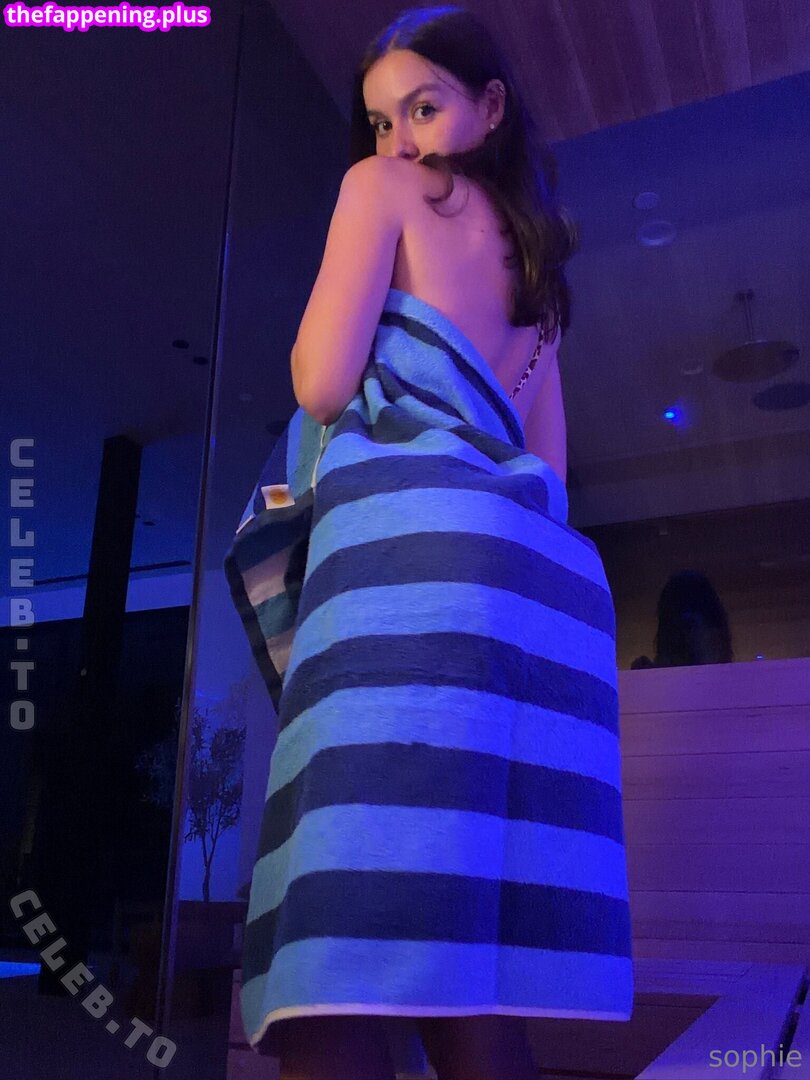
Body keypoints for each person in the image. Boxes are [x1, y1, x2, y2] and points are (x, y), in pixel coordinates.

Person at [226, 7, 633, 1080]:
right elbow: (547, 481)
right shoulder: (542, 288)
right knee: (467, 949)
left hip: (399, 569)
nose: (398, 142)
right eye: (379, 122)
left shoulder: (379, 193)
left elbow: (322, 381)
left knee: (343, 932)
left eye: (422, 108)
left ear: (490, 107)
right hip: (505, 594)